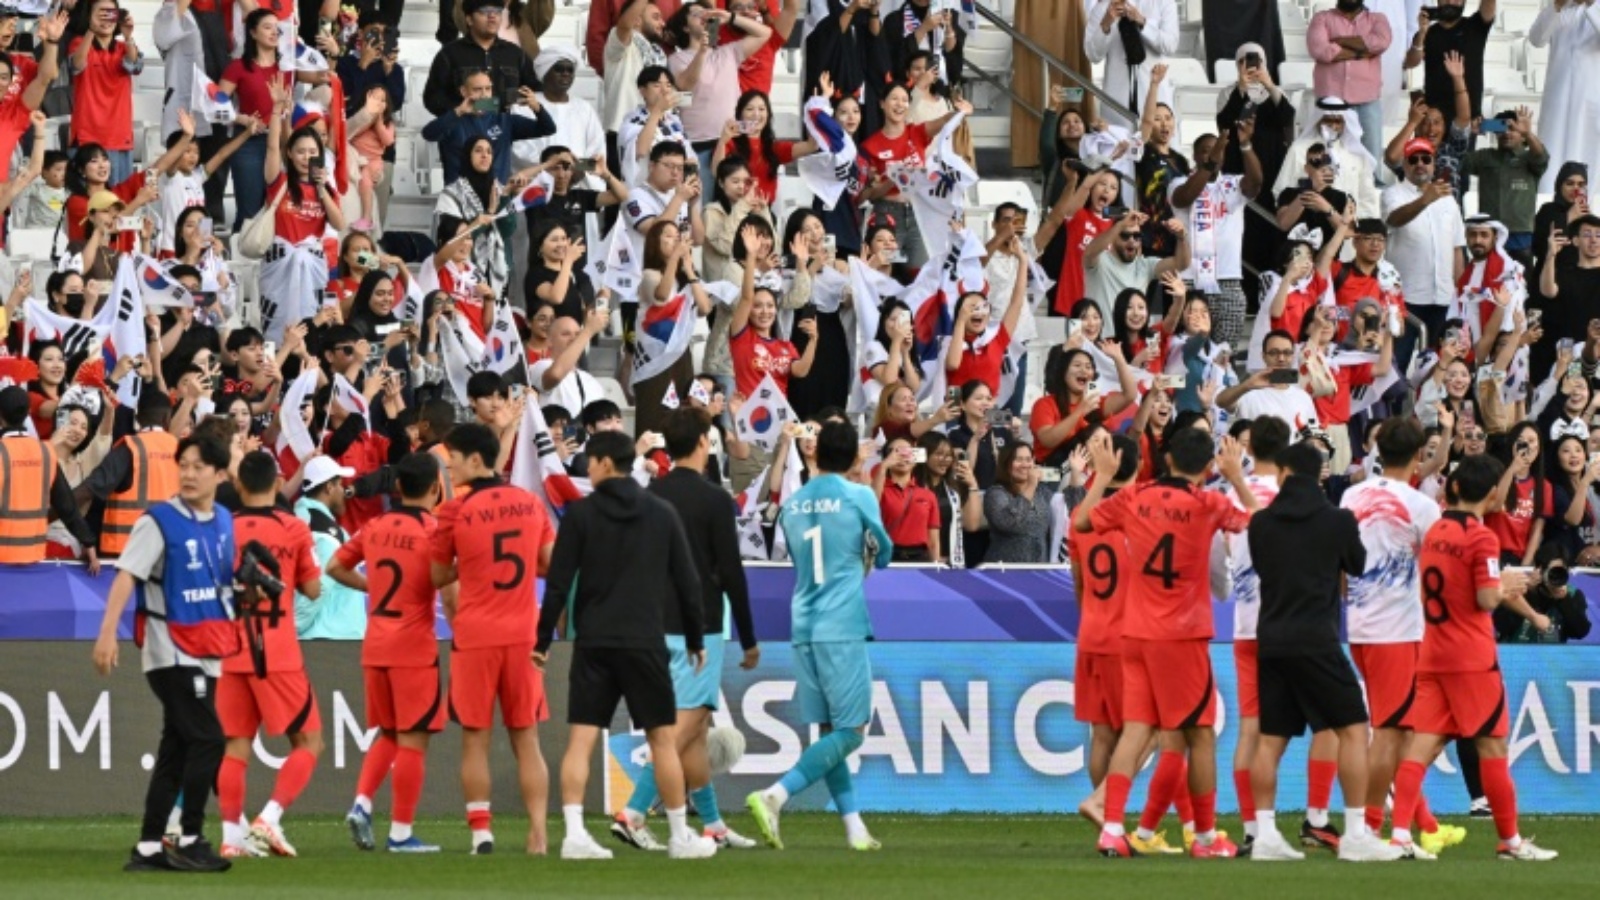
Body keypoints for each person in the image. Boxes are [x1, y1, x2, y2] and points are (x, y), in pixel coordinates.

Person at [533, 430, 715, 860]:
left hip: (593, 639)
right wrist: (694, 637)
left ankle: (575, 834)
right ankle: (678, 837)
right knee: (662, 741)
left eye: (590, 462)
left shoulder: (580, 515)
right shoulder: (661, 512)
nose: (587, 469)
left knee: (581, 738)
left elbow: (558, 584)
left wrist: (542, 641)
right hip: (644, 640)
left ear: (604, 464)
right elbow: (688, 582)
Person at [1076, 427, 1257, 858]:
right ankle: (1207, 838)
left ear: (1167, 460)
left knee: (1136, 730)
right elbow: (1259, 524)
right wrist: (1237, 479)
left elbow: (1083, 521)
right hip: (1181, 635)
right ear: (1208, 467)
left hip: (1134, 633)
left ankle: (1113, 829)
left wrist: (1102, 476)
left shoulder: (1133, 497)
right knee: (1201, 736)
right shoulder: (1209, 503)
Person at [1387, 453, 1558, 862]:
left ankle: (1399, 839)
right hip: (1471, 657)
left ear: (1454, 487)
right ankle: (1510, 842)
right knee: (1493, 749)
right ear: (1495, 493)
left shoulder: (1435, 531)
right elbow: (1484, 598)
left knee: (1420, 749)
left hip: (1433, 653)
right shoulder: (1483, 537)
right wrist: (1506, 583)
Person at [1246, 442, 1401, 862]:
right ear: (1319, 475)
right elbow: (1357, 563)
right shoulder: (1338, 520)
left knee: (1270, 741)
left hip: (1272, 639)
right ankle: (1354, 834)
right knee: (1353, 728)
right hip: (1317, 639)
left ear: (1283, 472)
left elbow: (1265, 569)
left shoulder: (1260, 523)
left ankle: (1263, 836)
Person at [612, 408, 760, 850]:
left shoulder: (650, 494)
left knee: (696, 728)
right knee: (684, 724)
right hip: (701, 627)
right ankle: (633, 810)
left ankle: (712, 824)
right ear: (704, 442)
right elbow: (731, 571)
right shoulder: (715, 499)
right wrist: (750, 638)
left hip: (655, 622)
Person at [91, 433, 237, 873]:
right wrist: (107, 635)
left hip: (209, 645)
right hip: (170, 646)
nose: (189, 474)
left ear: (219, 474)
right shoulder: (157, 521)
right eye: (184, 465)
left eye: (198, 466)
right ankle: (190, 837)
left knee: (176, 746)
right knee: (208, 738)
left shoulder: (225, 519)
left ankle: (150, 848)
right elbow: (125, 577)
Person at [746, 420, 892, 850]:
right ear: (852, 458)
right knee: (852, 732)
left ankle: (854, 829)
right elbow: (883, 555)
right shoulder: (858, 494)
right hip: (841, 624)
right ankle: (776, 794)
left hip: (803, 624)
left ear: (817, 452)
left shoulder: (792, 504)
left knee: (831, 731)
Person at [430, 423, 557, 856]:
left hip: (476, 635)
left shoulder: (454, 512)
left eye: (454, 459)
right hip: (523, 633)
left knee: (475, 738)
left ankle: (481, 833)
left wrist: (468, 564)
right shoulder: (529, 504)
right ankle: (538, 833)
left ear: (477, 460)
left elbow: (436, 575)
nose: (449, 468)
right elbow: (548, 564)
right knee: (527, 739)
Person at [1341, 417, 1465, 855]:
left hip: (1357, 623)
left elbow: (1342, 561)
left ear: (1376, 450)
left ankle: (1419, 823)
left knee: (1401, 731)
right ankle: (1371, 831)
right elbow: (1440, 570)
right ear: (1417, 457)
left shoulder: (1351, 494)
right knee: (1392, 732)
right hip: (1398, 628)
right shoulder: (1422, 507)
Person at [328, 452, 449, 853]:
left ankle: (362, 804)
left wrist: (372, 590)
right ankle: (400, 833)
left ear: (397, 487)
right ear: (436, 488)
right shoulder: (434, 530)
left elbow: (334, 567)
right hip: (413, 646)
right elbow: (446, 584)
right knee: (413, 738)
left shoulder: (375, 526)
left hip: (376, 643)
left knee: (390, 733)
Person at [212, 450, 323, 858]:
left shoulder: (222, 528)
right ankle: (269, 818)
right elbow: (313, 590)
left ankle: (230, 837)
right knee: (309, 741)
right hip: (276, 649)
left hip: (231, 648)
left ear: (238, 486)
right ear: (278, 485)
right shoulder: (294, 528)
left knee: (235, 746)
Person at [1169, 122, 1262, 351]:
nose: (1213, 154)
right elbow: (1185, 198)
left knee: (1224, 354)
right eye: (1206, 150)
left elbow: (1256, 183)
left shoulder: (1231, 184)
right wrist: (1210, 163)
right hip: (1190, 280)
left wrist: (1246, 144)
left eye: (1217, 149)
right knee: (1186, 350)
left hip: (1228, 279)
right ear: (1194, 155)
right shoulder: (1178, 183)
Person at [666, 2, 773, 176]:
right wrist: (702, 51)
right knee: (704, 201)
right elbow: (685, 85)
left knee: (733, 199)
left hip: (733, 139)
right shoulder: (677, 59)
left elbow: (765, 33)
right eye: (697, 14)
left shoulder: (728, 52)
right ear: (685, 27)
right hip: (699, 144)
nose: (704, 16)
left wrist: (730, 17)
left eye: (707, 14)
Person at [0, 385, 98, 567]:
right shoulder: (45, 452)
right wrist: (89, 542)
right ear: (28, 412)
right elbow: (67, 505)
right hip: (34, 554)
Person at [76, 392, 180, 558]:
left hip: (126, 554)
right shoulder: (182, 450)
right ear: (167, 418)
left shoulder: (130, 448)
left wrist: (50, 515)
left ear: (137, 418)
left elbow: (90, 488)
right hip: (171, 550)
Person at [1383, 137, 1466, 342]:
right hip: (1406, 297)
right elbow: (1394, 220)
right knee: (1398, 364)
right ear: (1404, 164)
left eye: (1425, 159)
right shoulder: (1392, 193)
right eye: (1413, 159)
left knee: (1440, 363)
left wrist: (1461, 292)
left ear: (1433, 164)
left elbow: (1457, 249)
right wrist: (1424, 200)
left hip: (1444, 297)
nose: (1420, 164)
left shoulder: (1448, 199)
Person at [422, 0, 541, 119]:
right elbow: (432, 99)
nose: (492, 16)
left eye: (498, 12)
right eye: (484, 11)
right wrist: (464, 109)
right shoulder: (449, 54)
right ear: (469, 19)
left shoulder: (516, 54)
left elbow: (534, 92)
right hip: (463, 132)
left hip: (506, 131)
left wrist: (501, 103)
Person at [1306, 0, 1392, 165]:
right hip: (1331, 104)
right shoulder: (1321, 18)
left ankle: (1372, 189)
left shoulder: (1377, 19)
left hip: (1367, 101)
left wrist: (1338, 41)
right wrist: (1362, 52)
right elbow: (1320, 50)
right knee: (1328, 155)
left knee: (1371, 156)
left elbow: (1381, 42)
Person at [1529, 4, 1600, 196]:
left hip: (1590, 106)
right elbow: (1536, 39)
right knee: (1552, 164)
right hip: (1556, 103)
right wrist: (1556, 7)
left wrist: (1591, 5)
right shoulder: (1559, 7)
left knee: (1588, 163)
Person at [293, 456, 366, 641]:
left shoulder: (299, 519)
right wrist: (290, 633)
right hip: (330, 641)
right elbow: (316, 593)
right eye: (340, 485)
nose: (343, 491)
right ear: (329, 487)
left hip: (325, 639)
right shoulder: (326, 535)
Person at [1461, 108, 1548, 261]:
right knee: (1488, 282)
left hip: (1520, 235)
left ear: (1522, 135)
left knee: (1522, 282)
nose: (1507, 133)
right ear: (1494, 132)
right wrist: (1471, 134)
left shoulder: (1529, 158)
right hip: (1490, 234)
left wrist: (1528, 133)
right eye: (1501, 129)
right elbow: (1462, 163)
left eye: (1512, 128)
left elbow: (1541, 158)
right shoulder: (1486, 156)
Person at [1083, 0, 1178, 131]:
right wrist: (1105, 24)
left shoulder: (1163, 3)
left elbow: (1170, 45)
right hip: (1117, 101)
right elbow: (1093, 55)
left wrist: (1143, 22)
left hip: (1154, 96)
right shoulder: (1102, 7)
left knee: (1156, 148)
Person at [1405, 0, 1495, 122]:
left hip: (1468, 117)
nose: (1451, 2)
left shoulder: (1475, 26)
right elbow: (1411, 62)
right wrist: (1421, 34)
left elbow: (1489, 6)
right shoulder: (1428, 32)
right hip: (1433, 118)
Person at [1219, 330, 1321, 436]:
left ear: (1292, 356)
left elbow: (1313, 436)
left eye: (1286, 353)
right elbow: (1221, 401)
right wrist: (1246, 386)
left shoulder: (1303, 397)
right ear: (1263, 356)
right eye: (1274, 353)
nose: (1281, 358)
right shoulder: (1248, 392)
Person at [1498, 543, 1592, 643]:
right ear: (1539, 570)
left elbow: (1580, 632)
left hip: (1551, 656)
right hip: (1516, 654)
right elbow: (1502, 626)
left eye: (1560, 570)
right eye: (1552, 571)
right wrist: (1529, 594)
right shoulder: (1519, 590)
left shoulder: (1572, 595)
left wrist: (1565, 601)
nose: (1555, 575)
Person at [871, 434, 942, 563]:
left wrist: (935, 566)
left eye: (908, 452)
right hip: (888, 554)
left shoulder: (928, 495)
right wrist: (883, 467)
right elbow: (871, 505)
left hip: (920, 556)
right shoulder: (880, 488)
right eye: (895, 451)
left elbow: (933, 540)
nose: (902, 456)